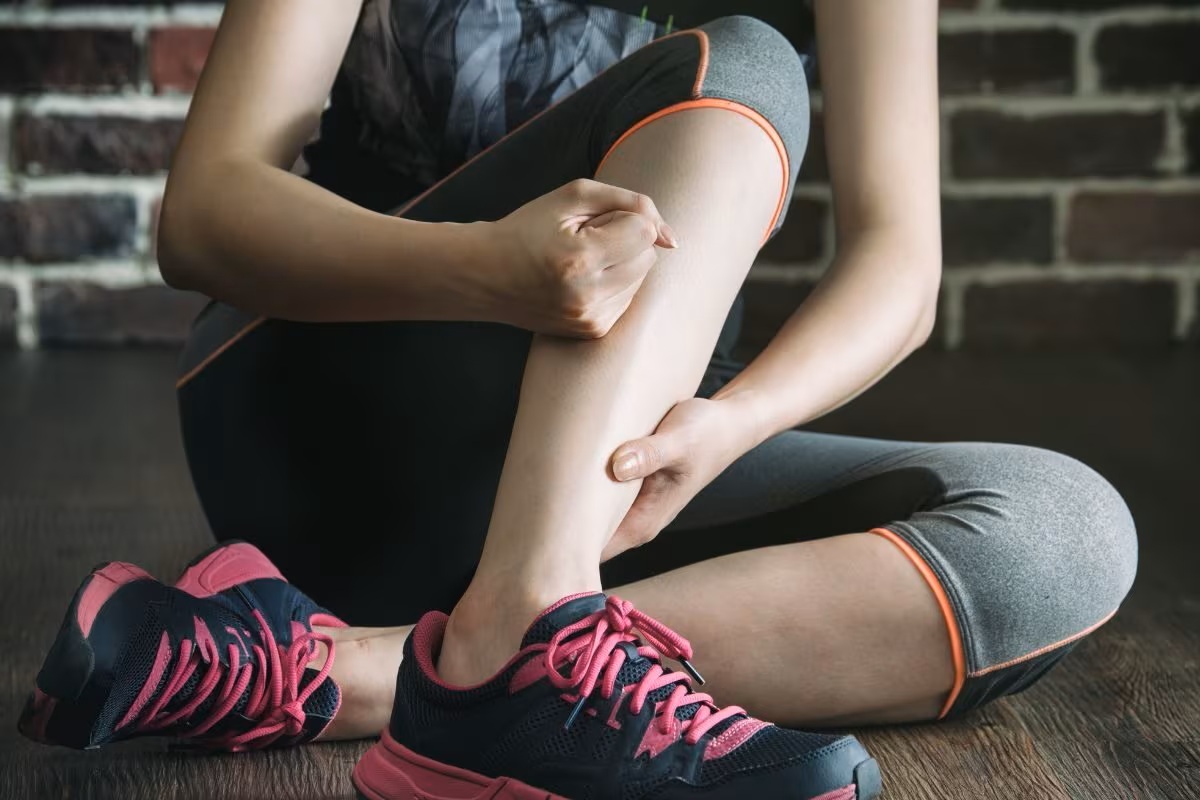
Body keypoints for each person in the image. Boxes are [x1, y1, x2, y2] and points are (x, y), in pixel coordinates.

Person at [19, 1, 1138, 798]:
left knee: (1061, 534)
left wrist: (733, 421)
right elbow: (204, 214)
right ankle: (517, 637)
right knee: (743, 61)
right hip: (331, 426)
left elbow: (902, 266)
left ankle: (378, 669)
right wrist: (485, 267)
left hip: (614, 476)